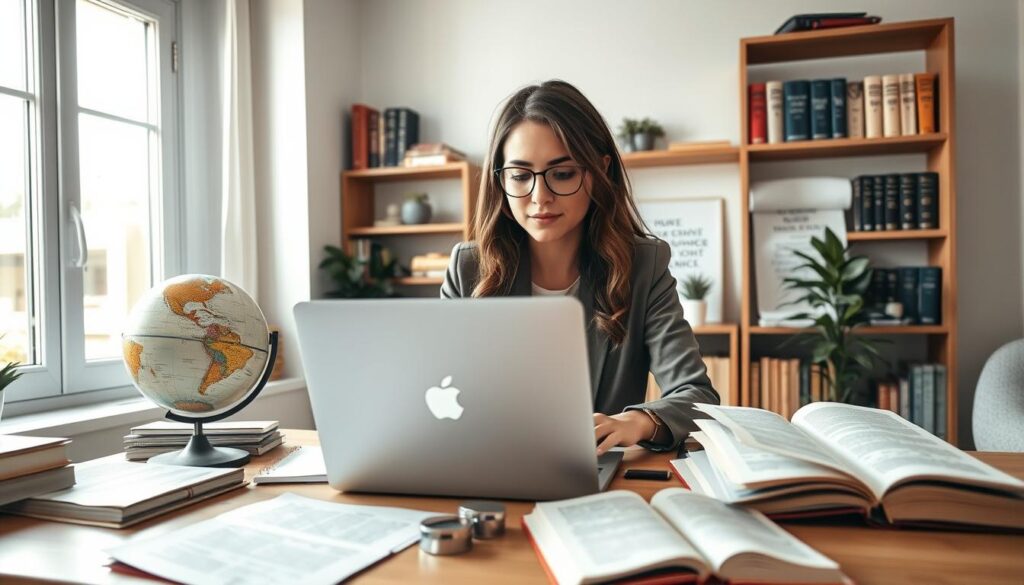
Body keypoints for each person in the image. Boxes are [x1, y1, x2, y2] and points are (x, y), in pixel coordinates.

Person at [441, 79, 718, 454]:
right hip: (485, 466)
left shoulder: (643, 267)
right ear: (500, 182)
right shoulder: (468, 269)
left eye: (563, 173)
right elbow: (437, 392)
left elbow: (697, 396)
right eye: (521, 176)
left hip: (593, 477)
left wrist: (638, 421)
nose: (540, 197)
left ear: (599, 171)